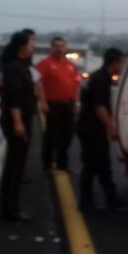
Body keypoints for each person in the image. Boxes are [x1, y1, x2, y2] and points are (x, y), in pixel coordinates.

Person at [77, 48, 126, 211]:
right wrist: (110, 128)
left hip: (91, 127)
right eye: (121, 62)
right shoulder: (100, 80)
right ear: (115, 63)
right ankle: (87, 201)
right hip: (91, 128)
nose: (122, 66)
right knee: (93, 165)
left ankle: (110, 198)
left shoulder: (101, 77)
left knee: (101, 165)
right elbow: (99, 107)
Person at [0, 30, 38, 222]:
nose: (33, 47)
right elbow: (14, 97)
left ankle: (10, 205)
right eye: (30, 43)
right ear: (22, 47)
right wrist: (18, 122)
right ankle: (10, 208)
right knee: (14, 165)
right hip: (17, 120)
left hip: (23, 118)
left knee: (17, 164)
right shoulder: (13, 68)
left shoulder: (22, 66)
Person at [36, 36, 81, 171]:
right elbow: (38, 83)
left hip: (69, 104)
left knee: (67, 134)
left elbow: (77, 85)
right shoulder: (45, 64)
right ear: (51, 48)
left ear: (65, 48)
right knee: (52, 134)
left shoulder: (71, 66)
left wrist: (77, 103)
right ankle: (48, 163)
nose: (59, 49)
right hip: (53, 104)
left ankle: (62, 163)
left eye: (61, 46)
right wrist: (43, 101)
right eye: (56, 46)